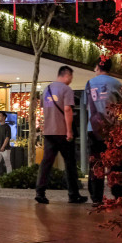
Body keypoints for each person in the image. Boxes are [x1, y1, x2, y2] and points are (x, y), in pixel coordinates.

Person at [35, 65, 87, 204]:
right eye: (71, 77)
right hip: (63, 133)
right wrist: (69, 131)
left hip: (48, 132)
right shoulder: (66, 89)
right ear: (67, 75)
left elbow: (44, 110)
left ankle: (40, 192)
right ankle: (73, 194)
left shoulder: (46, 89)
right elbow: (67, 110)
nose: (71, 80)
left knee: (46, 163)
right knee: (70, 163)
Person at [84, 58, 122, 205]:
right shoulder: (116, 84)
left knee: (96, 163)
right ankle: (118, 194)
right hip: (112, 128)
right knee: (115, 162)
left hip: (93, 129)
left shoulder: (89, 84)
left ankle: (96, 197)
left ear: (97, 67)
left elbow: (87, 106)